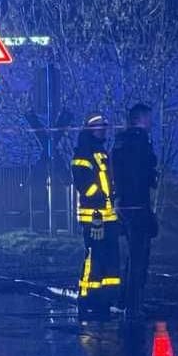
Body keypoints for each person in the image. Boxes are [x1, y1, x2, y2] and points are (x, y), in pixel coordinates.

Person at [110, 103, 160, 319]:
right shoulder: (140, 143)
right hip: (138, 204)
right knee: (139, 256)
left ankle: (125, 300)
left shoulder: (120, 142)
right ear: (140, 119)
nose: (152, 122)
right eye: (149, 118)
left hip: (125, 204)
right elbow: (144, 174)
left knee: (132, 255)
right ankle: (133, 305)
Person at [72, 114, 122, 317]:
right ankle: (87, 295)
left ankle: (106, 296)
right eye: (99, 127)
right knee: (94, 255)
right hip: (93, 215)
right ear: (90, 129)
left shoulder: (101, 152)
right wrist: (99, 197)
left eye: (104, 127)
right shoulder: (83, 153)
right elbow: (83, 184)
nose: (103, 130)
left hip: (108, 215)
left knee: (110, 256)